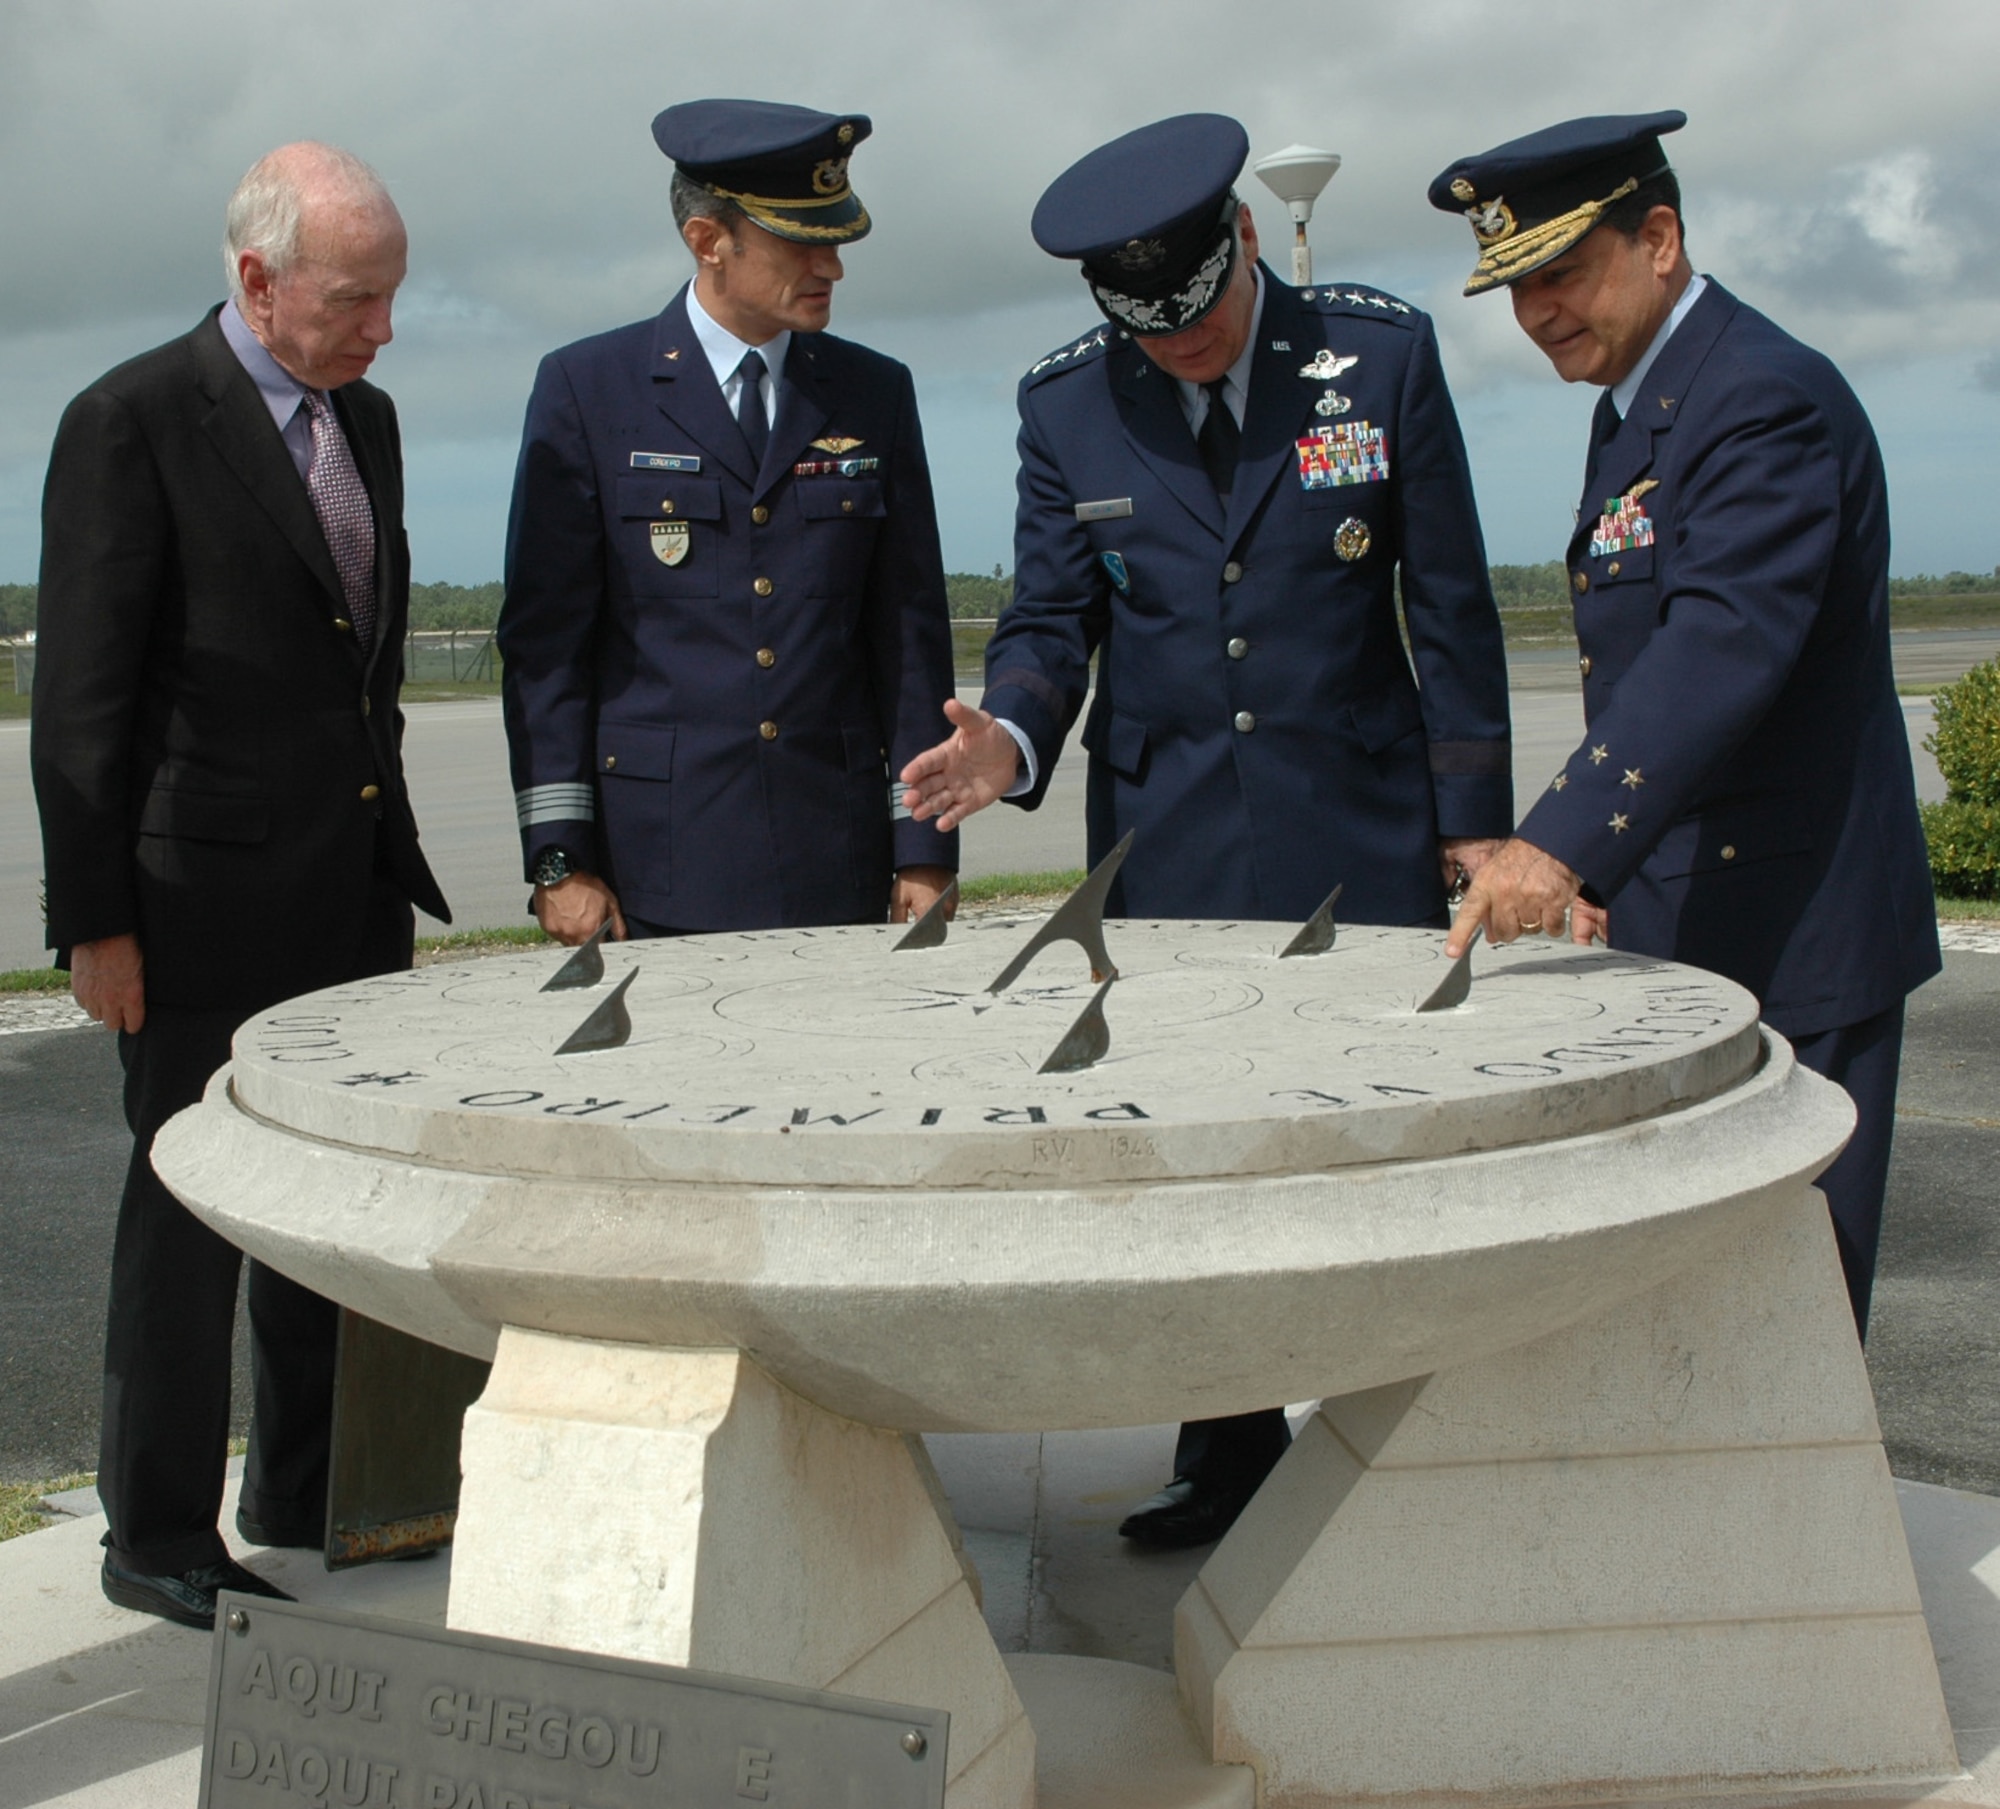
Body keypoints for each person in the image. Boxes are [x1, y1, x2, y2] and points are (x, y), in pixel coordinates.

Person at [901, 114, 1514, 1548]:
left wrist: (1476, 825)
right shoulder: (1067, 406)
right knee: (1199, 1155)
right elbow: (1055, 619)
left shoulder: (1379, 356)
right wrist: (1010, 733)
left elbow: (1454, 611)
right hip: (1169, 839)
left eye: (1199, 318)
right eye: (1146, 331)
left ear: (1244, 241)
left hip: (1359, 820)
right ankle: (1224, 1451)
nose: (1177, 347)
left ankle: (1403, 1440)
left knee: (1385, 1147)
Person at [1428, 111, 1939, 1337]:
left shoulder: (1760, 397)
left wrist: (1557, 848)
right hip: (1689, 916)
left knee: (1784, 1317)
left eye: (1562, 271)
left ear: (1657, 238)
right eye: (1515, 287)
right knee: (1691, 1318)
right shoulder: (1644, 405)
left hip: (1797, 927)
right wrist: (1613, 868)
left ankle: (1803, 1537)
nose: (1538, 312)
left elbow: (1720, 646)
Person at [31, 143, 449, 1628]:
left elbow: (364, 663)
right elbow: (82, 705)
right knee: (188, 1224)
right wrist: (94, 924)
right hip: (190, 908)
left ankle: (309, 1481)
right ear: (259, 281)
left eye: (395, 298)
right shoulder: (129, 423)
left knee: (325, 1206)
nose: (380, 329)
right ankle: (154, 1531)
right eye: (355, 298)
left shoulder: (369, 422)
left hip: (346, 891)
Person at [498, 100, 958, 942]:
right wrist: (559, 860)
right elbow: (546, 648)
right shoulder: (589, 390)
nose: (832, 269)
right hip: (657, 870)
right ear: (710, 241)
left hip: (838, 860)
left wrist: (923, 846)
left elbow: (909, 631)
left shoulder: (874, 392)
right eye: (802, 242)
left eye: (837, 241)